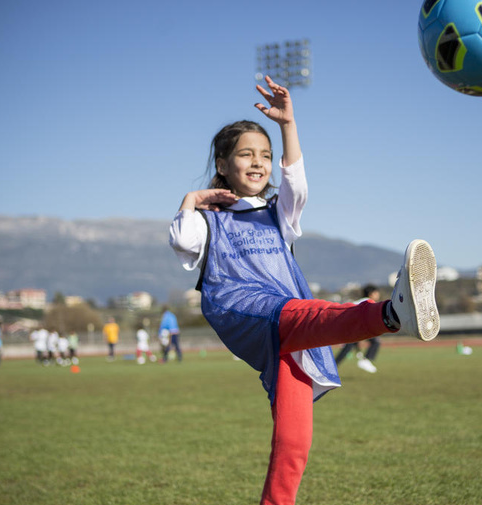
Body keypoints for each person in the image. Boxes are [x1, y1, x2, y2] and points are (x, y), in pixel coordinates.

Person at [168, 76, 439, 505]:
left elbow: (297, 184)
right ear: (222, 164)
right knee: (301, 312)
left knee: (295, 444)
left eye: (266, 156)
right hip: (243, 309)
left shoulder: (280, 214)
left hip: (290, 326)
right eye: (246, 155)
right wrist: (190, 198)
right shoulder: (209, 218)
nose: (259, 163)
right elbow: (183, 241)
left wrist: (287, 125)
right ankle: (390, 314)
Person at [334, 284, 383, 373]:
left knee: (347, 348)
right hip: (353, 328)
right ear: (371, 294)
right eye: (376, 293)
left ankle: (332, 367)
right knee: (375, 342)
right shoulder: (369, 302)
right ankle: (366, 360)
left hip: (350, 328)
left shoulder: (361, 301)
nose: (378, 295)